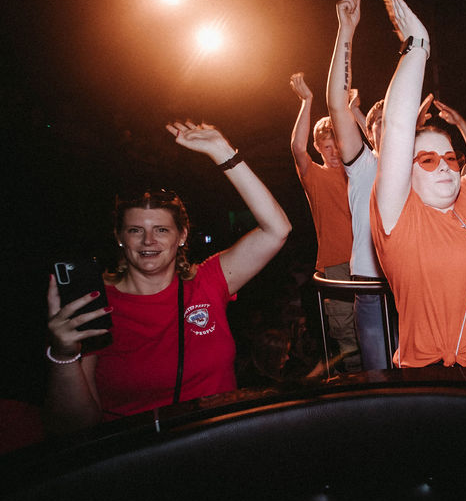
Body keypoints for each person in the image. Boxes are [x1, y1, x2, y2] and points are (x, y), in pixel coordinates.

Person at [45, 121, 291, 433]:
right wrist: (63, 354)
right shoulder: (97, 301)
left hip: (220, 442)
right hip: (140, 454)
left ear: (182, 236)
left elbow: (277, 230)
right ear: (120, 237)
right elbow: (77, 427)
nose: (148, 241)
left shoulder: (207, 282)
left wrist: (223, 152)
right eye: (136, 230)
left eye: (161, 230)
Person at [371, 0, 466, 368]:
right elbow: (397, 125)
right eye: (428, 160)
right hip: (434, 378)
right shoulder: (398, 217)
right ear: (405, 170)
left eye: (450, 158)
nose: (445, 167)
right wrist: (417, 48)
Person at [320, 0, 393, 371]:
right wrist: (346, 30)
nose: (384, 125)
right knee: (379, 376)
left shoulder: (421, 167)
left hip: (414, 284)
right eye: (377, 121)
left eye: (392, 119)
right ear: (369, 129)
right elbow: (336, 104)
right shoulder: (364, 164)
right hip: (370, 286)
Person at [290, 53, 358, 371]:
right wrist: (307, 101)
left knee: (376, 324)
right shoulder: (315, 176)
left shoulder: (359, 170)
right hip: (335, 262)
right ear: (319, 148)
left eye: (337, 145)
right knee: (346, 333)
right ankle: (356, 385)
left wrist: (350, 110)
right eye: (327, 147)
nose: (333, 152)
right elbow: (297, 148)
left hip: (368, 258)